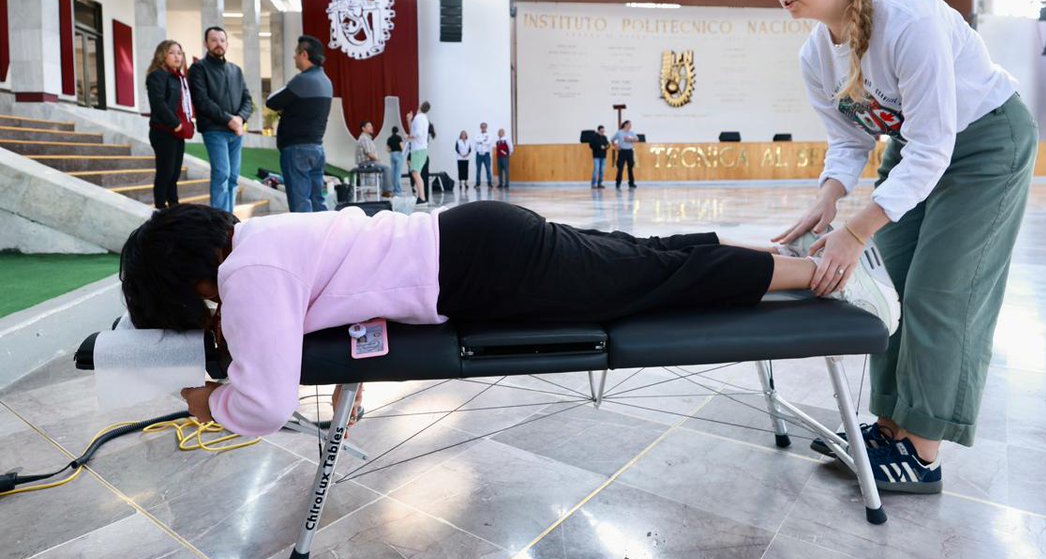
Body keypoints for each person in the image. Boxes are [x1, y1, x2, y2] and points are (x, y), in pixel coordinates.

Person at [118, 202, 899, 437]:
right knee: (648, 260)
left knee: (658, 276)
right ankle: (783, 257)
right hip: (476, 243)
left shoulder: (245, 274)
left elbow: (259, 404)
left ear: (189, 279)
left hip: (486, 267)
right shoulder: (256, 239)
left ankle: (826, 273)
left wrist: (203, 401)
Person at [767, 0, 1036, 494]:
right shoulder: (816, 53)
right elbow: (850, 138)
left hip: (985, 141)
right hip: (917, 147)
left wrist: (857, 230)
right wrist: (829, 200)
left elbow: (937, 145)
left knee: (942, 292)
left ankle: (923, 451)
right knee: (885, 291)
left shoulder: (908, 20)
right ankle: (889, 429)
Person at [189, 26, 253, 213]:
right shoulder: (198, 68)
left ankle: (228, 218)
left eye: (222, 40)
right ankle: (217, 220)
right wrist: (228, 120)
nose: (219, 44)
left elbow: (247, 99)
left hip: (236, 132)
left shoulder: (235, 70)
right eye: (214, 40)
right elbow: (202, 101)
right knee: (222, 174)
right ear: (205, 43)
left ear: (227, 43)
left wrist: (240, 118)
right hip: (214, 130)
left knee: (233, 177)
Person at [265, 36, 333, 213]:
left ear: (304, 54)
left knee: (300, 203)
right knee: (317, 200)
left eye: (296, 53)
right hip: (317, 149)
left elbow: (271, 101)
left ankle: (305, 240)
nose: (294, 57)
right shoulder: (326, 81)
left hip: (296, 151)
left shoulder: (302, 80)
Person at [145, 40, 195, 209]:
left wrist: (185, 125)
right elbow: (158, 103)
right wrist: (176, 124)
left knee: (174, 174)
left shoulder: (179, 78)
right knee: (165, 173)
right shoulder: (157, 76)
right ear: (162, 55)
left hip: (176, 132)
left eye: (180, 53)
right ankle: (160, 208)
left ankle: (174, 207)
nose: (177, 56)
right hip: (164, 131)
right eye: (172, 52)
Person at [354, 121, 392, 197]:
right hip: (365, 163)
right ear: (363, 128)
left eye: (371, 126)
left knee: (383, 167)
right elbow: (369, 153)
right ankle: (386, 191)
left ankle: (385, 189)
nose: (371, 127)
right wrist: (378, 160)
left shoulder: (367, 138)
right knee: (386, 168)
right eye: (369, 126)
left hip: (368, 162)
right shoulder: (364, 138)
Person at [406, 101, 431, 205]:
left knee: (416, 173)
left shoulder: (418, 118)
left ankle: (422, 197)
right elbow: (414, 131)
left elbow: (417, 133)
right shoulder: (423, 118)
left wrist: (408, 137)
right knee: (416, 173)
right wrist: (409, 120)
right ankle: (421, 197)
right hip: (421, 149)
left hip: (418, 150)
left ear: (420, 106)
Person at [612, 120, 638, 189]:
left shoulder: (631, 132)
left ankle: (631, 183)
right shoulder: (619, 132)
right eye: (629, 124)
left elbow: (637, 139)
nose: (630, 126)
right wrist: (616, 145)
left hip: (629, 151)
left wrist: (630, 139)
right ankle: (618, 183)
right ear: (625, 125)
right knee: (620, 168)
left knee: (630, 168)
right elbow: (612, 139)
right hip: (622, 152)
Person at [387, 125, 409, 199]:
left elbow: (388, 149)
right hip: (399, 154)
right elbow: (402, 147)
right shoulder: (399, 138)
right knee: (398, 173)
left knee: (393, 172)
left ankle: (394, 188)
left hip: (392, 154)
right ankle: (398, 189)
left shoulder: (389, 138)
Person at [474, 122, 493, 188]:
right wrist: (483, 141)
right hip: (478, 154)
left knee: (488, 169)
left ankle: (489, 183)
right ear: (480, 127)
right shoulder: (477, 134)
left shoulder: (489, 135)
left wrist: (481, 141)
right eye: (482, 126)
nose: (483, 128)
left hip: (486, 154)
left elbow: (488, 142)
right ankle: (477, 183)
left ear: (486, 127)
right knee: (478, 169)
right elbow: (476, 140)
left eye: (484, 126)